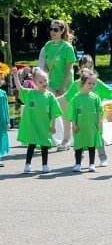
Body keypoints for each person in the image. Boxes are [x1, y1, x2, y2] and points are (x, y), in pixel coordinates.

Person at [12, 67, 60, 173]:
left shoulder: (50, 96)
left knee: (44, 145)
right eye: (41, 82)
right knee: (32, 144)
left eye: (45, 80)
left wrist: (53, 126)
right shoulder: (30, 94)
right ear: (35, 83)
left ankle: (45, 165)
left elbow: (53, 112)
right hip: (33, 126)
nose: (44, 83)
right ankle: (27, 164)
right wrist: (15, 76)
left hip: (44, 126)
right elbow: (20, 89)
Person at [38, 19, 75, 151]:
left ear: (62, 31)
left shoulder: (67, 47)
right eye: (51, 29)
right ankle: (47, 138)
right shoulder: (47, 46)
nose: (52, 32)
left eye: (56, 30)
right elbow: (46, 66)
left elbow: (69, 69)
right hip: (51, 83)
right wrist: (44, 81)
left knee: (65, 113)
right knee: (47, 110)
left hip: (65, 84)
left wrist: (63, 86)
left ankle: (66, 140)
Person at [66, 70, 104, 173]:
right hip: (79, 127)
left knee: (92, 145)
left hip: (92, 126)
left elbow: (100, 110)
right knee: (79, 145)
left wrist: (100, 122)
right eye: (89, 83)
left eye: (93, 83)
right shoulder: (76, 98)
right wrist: (73, 124)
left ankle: (92, 164)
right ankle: (78, 164)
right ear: (82, 83)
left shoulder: (95, 98)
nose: (92, 85)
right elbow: (72, 112)